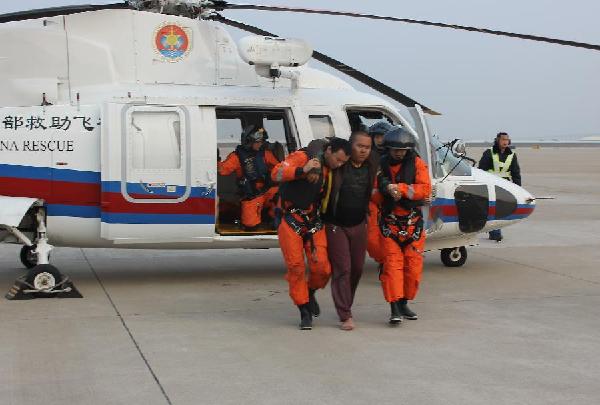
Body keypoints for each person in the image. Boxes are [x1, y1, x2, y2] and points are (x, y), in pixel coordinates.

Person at [271, 137, 351, 330]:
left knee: (323, 268)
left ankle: (310, 291)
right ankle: (304, 309)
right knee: (296, 267)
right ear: (329, 151)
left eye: (343, 163)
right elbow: (276, 173)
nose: (338, 165)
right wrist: (302, 170)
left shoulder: (331, 169)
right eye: (337, 160)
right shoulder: (302, 157)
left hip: (313, 220)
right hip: (290, 219)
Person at [322, 131, 379, 331]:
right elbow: (315, 146)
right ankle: (345, 313)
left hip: (359, 224)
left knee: (357, 269)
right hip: (336, 225)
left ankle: (346, 303)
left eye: (367, 147)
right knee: (343, 269)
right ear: (350, 145)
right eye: (359, 146)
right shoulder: (339, 164)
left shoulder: (372, 165)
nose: (363, 150)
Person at [375, 127, 431, 324]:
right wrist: (385, 191)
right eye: (395, 149)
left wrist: (399, 188)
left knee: (413, 269)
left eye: (403, 150)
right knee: (392, 267)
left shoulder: (417, 164)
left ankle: (404, 302)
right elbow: (373, 191)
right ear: (388, 149)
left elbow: (425, 189)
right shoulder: (379, 166)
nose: (399, 153)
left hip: (412, 224)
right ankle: (394, 307)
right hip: (389, 224)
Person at [218, 125, 280, 230]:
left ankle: (273, 218)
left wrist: (273, 176)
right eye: (258, 142)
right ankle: (256, 217)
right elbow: (222, 170)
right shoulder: (236, 157)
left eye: (262, 141)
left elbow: (280, 167)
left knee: (283, 193)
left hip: (267, 191)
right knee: (251, 226)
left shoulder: (266, 154)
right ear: (248, 141)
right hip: (252, 194)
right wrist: (216, 159)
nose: (260, 144)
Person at [478, 132, 522, 241]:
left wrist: (518, 189)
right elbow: (481, 170)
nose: (505, 142)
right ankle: (495, 233)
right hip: (490, 187)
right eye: (503, 139)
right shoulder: (489, 153)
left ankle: (494, 232)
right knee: (494, 210)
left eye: (507, 140)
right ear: (498, 140)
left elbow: (516, 173)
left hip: (504, 187)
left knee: (499, 211)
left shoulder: (512, 155)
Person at [366, 121, 394, 267]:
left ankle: (388, 262)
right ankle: (383, 260)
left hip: (389, 200)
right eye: (377, 136)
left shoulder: (394, 156)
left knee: (390, 236)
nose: (380, 139)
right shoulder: (365, 154)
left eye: (382, 136)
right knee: (371, 238)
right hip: (371, 201)